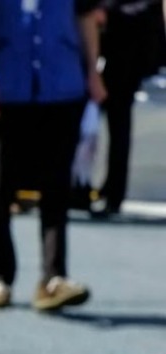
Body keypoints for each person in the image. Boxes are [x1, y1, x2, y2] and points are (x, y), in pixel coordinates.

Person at [0, 0, 101, 312]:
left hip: (61, 83)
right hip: (8, 85)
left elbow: (86, 16)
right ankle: (0, 276)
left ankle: (53, 277)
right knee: (0, 188)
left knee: (57, 188)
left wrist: (92, 70)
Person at [94, 0, 164, 216]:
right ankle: (82, 186)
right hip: (101, 45)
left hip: (123, 53)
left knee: (118, 125)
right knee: (84, 125)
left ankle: (113, 192)